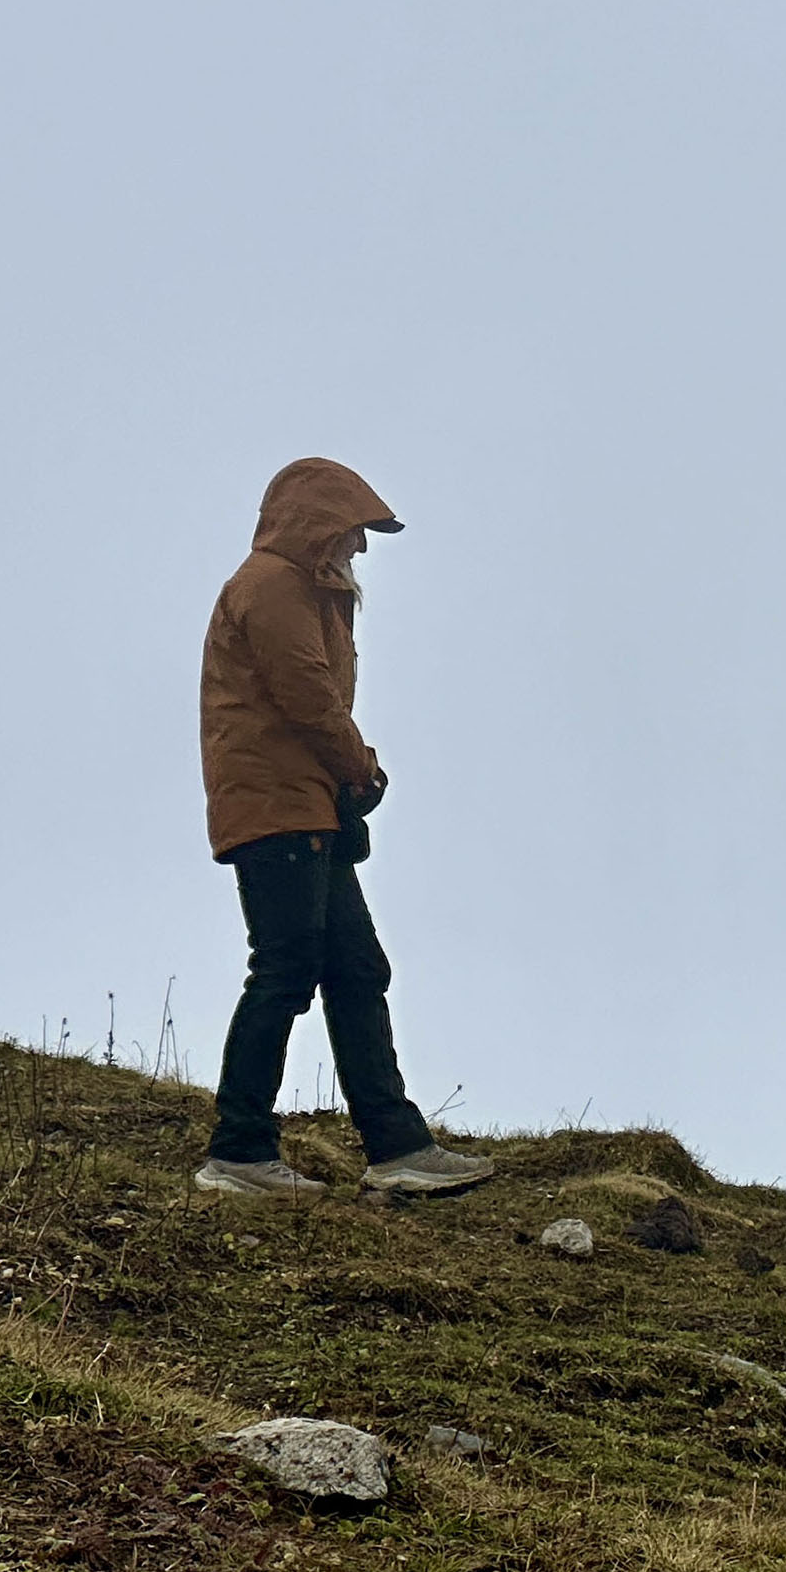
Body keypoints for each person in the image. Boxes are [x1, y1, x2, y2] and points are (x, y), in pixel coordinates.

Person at [192, 458, 493, 1199]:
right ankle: (238, 1150)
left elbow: (312, 699)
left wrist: (349, 774)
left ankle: (397, 1147)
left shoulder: (300, 588)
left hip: (303, 807)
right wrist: (360, 767)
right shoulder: (272, 586)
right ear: (318, 523)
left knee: (354, 970)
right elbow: (307, 696)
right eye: (353, 529)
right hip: (278, 808)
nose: (359, 547)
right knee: (286, 972)